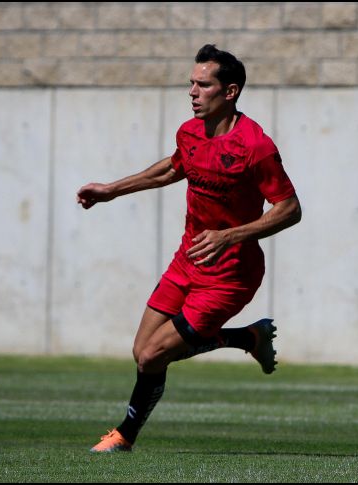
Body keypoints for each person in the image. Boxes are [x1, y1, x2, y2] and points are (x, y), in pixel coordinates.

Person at [77, 44, 301, 453]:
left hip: (231, 273)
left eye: (203, 84)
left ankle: (123, 437)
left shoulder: (256, 146)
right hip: (187, 261)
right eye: (191, 83)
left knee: (151, 356)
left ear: (229, 92)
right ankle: (246, 339)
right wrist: (111, 189)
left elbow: (289, 209)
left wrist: (229, 236)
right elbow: (172, 167)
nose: (193, 92)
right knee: (142, 351)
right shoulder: (190, 132)